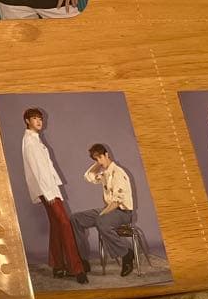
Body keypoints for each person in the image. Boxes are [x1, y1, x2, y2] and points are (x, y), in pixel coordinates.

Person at [21, 108, 88, 283]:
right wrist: (48, 192)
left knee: (58, 225)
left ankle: (58, 266)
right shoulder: (30, 141)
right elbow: (37, 170)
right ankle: (76, 268)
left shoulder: (35, 139)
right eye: (35, 118)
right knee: (64, 224)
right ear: (27, 121)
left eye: (40, 118)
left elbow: (45, 167)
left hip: (49, 188)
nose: (39, 121)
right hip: (47, 190)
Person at [70, 144, 136, 276]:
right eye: (96, 159)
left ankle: (126, 253)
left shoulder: (118, 173)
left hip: (123, 212)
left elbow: (116, 202)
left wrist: (102, 214)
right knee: (75, 219)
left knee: (101, 221)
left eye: (100, 157)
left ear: (107, 154)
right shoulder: (105, 173)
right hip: (109, 210)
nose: (99, 161)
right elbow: (88, 176)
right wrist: (98, 163)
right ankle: (82, 260)